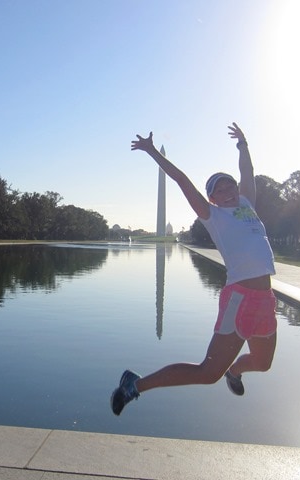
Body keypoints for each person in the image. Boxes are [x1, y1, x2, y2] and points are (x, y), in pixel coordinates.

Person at [111, 122, 277, 416]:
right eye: (219, 189)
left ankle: (234, 371)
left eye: (229, 185)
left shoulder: (247, 206)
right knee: (208, 373)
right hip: (240, 298)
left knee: (263, 363)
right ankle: (134, 385)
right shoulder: (212, 215)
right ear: (212, 198)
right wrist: (152, 151)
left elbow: (248, 172)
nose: (226, 190)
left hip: (265, 298)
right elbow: (181, 179)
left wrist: (243, 144)